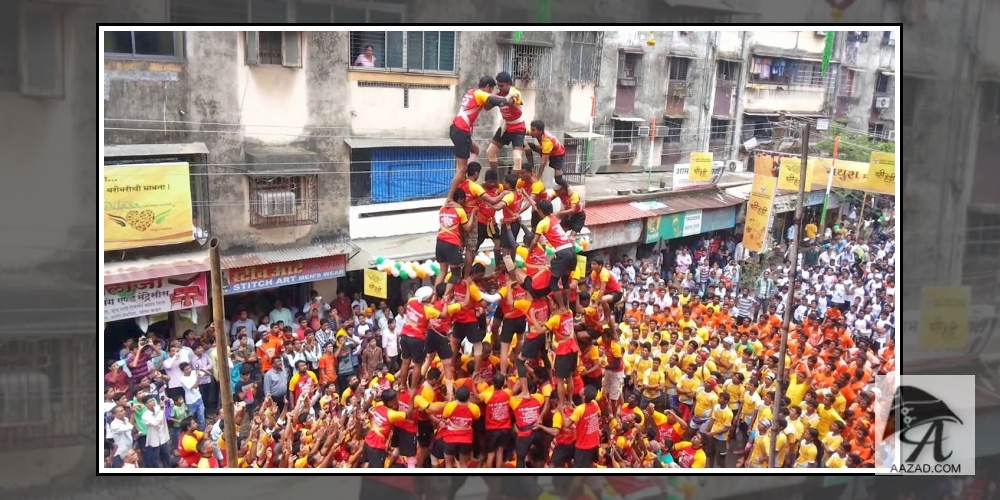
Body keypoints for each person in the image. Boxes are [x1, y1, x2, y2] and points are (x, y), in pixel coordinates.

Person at [450, 76, 511, 186]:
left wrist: (495, 94)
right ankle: (452, 195)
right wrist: (511, 96)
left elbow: (487, 107)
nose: (491, 92)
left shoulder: (471, 92)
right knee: (461, 168)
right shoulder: (480, 94)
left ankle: (465, 178)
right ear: (487, 87)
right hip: (461, 131)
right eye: (491, 89)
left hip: (455, 127)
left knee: (475, 150)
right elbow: (502, 102)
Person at [486, 71, 526, 172]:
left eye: (502, 85)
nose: (499, 88)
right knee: (490, 152)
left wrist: (498, 98)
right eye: (498, 85)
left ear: (509, 84)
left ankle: (513, 185)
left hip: (518, 128)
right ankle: (495, 180)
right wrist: (492, 96)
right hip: (505, 127)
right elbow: (486, 107)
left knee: (517, 157)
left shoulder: (515, 93)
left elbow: (508, 102)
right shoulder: (499, 93)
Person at [524, 120, 568, 186]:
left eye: (533, 130)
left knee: (558, 180)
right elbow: (522, 132)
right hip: (546, 150)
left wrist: (538, 177)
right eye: (531, 129)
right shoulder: (535, 132)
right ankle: (532, 168)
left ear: (540, 131)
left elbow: (543, 162)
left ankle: (568, 188)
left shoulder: (547, 141)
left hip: (557, 155)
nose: (531, 131)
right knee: (528, 145)